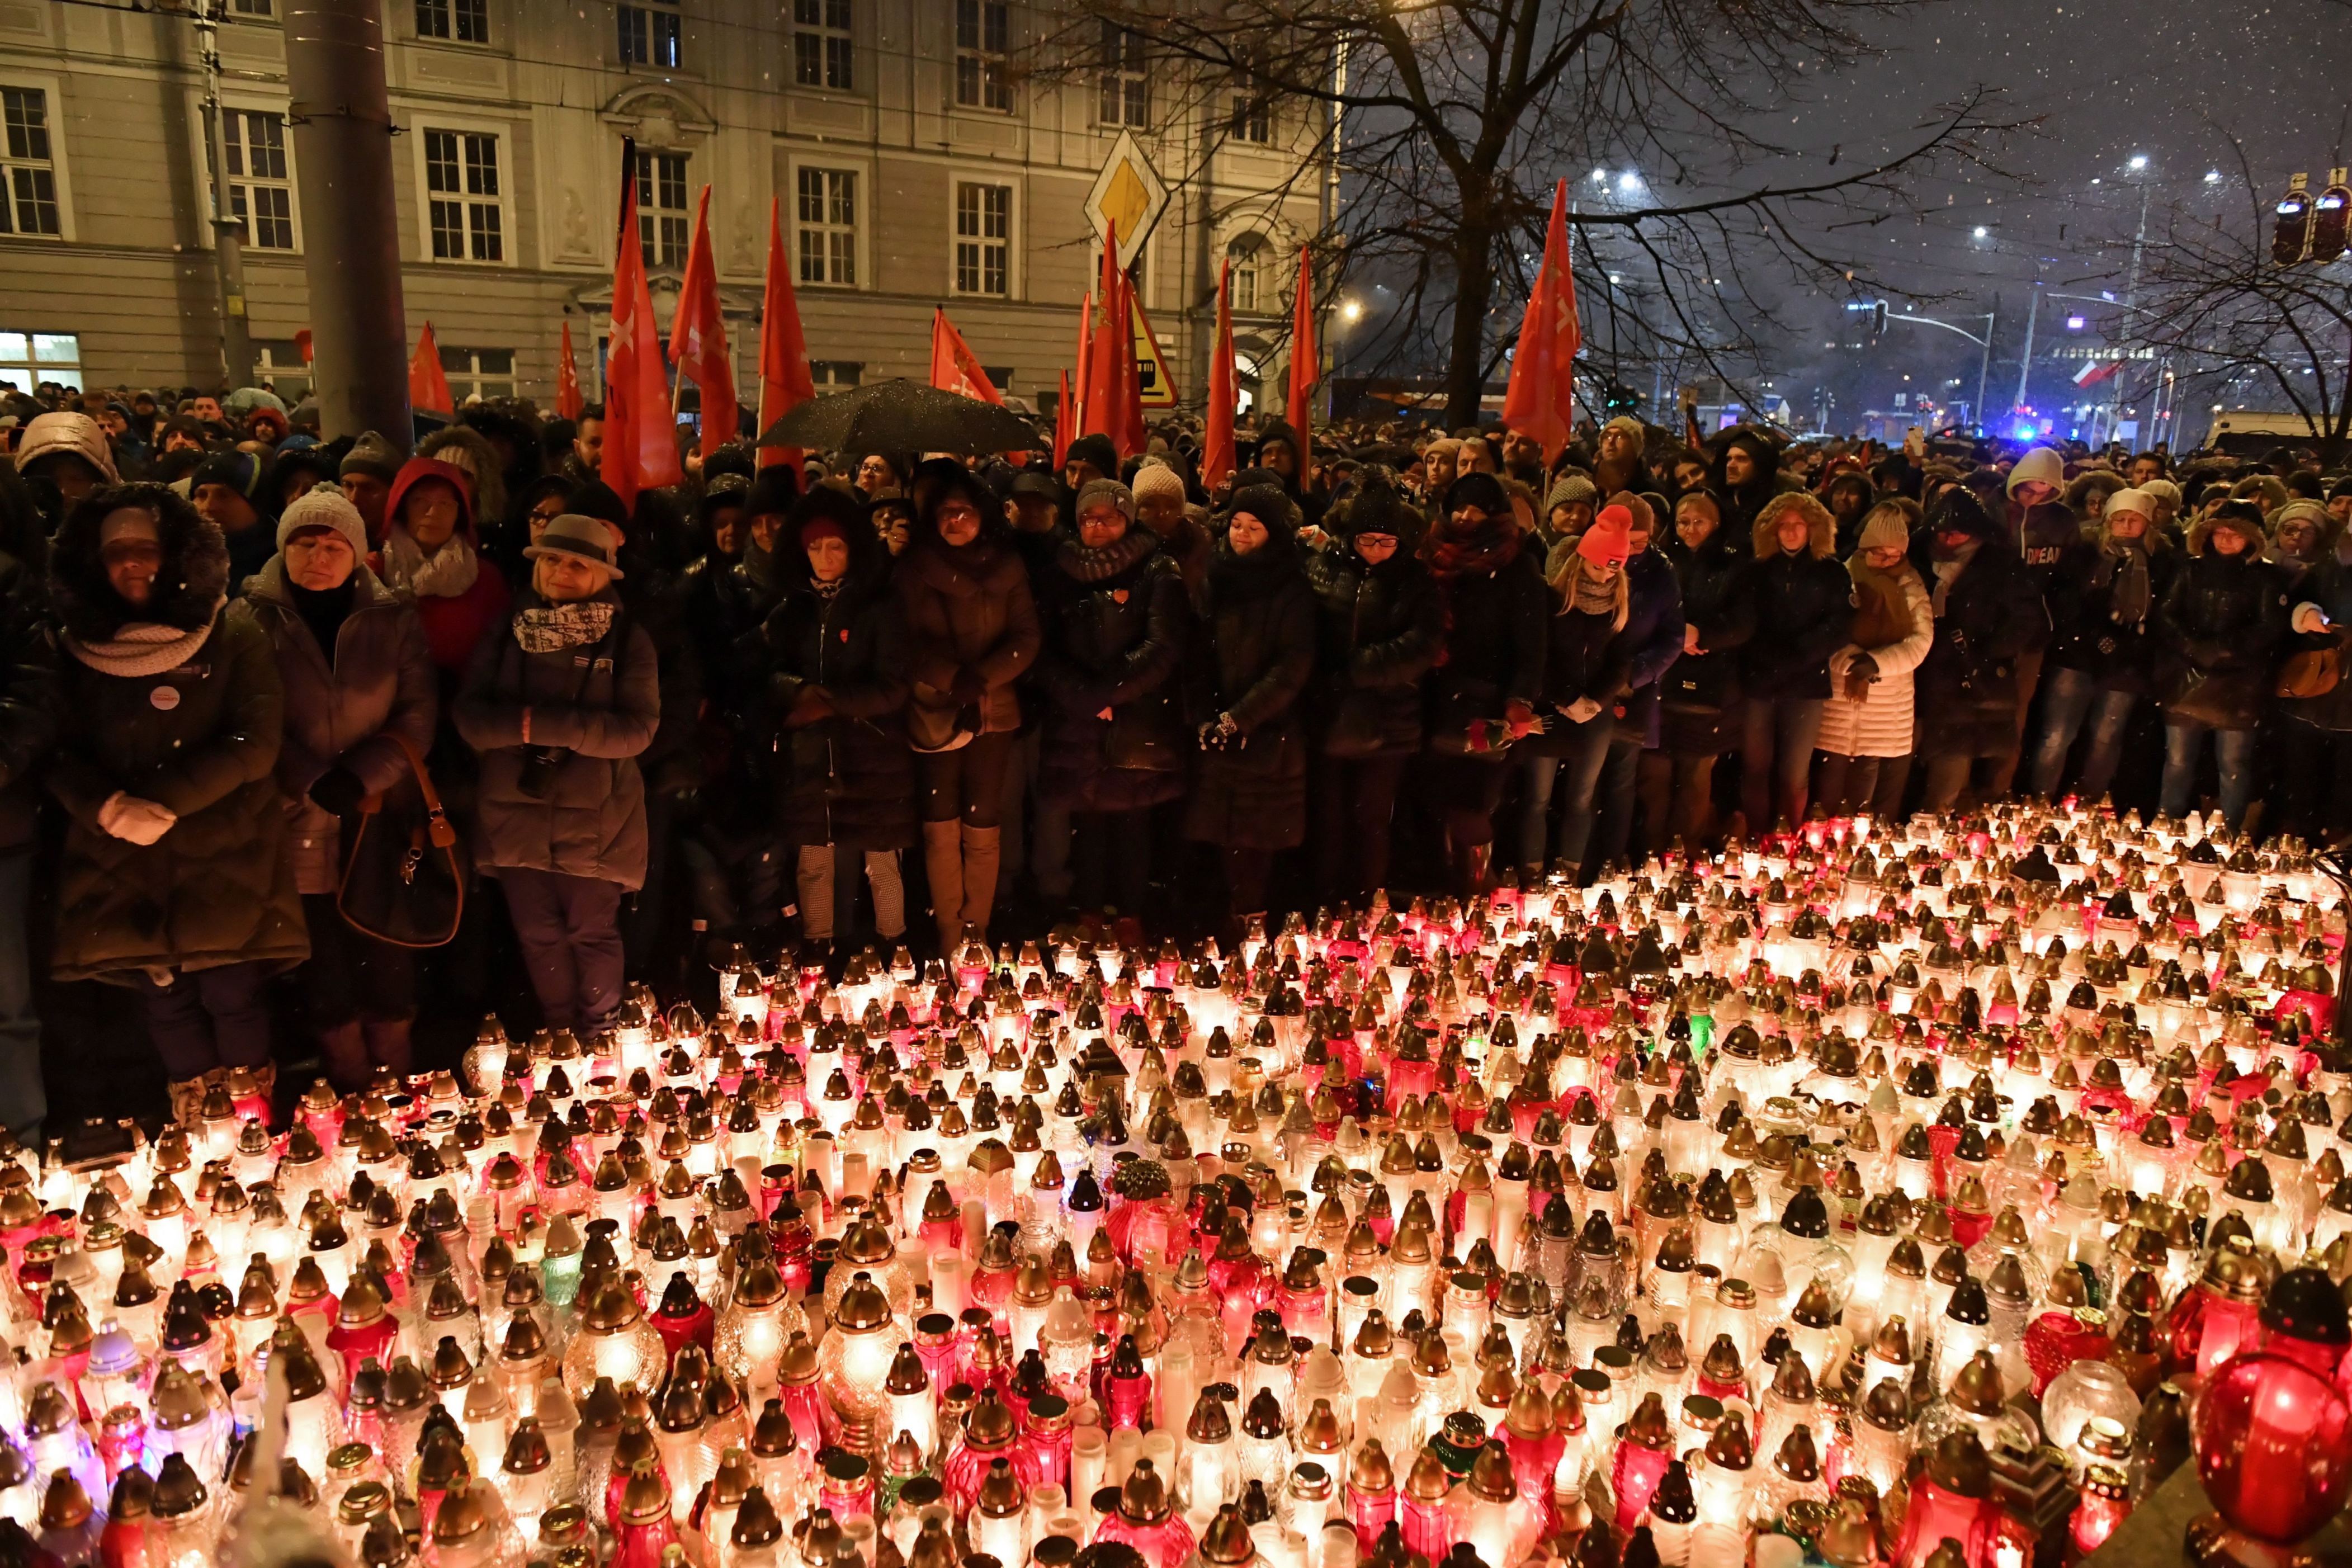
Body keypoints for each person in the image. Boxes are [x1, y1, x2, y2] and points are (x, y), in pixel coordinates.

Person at [45, 484, 307, 1120]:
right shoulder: (71, 645)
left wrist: (160, 803)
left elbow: (255, 739)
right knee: (161, 991)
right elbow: (52, 742)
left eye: (145, 547)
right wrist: (108, 807)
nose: (132, 562)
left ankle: (252, 1123)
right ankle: (200, 1123)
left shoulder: (232, 629)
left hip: (224, 847)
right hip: (121, 855)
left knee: (231, 988)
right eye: (116, 551)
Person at [240, 485, 436, 1090]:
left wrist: (363, 774)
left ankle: (397, 1092)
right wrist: (311, 778)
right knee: (323, 969)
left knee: (388, 959)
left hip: (376, 814)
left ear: (358, 554)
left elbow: (417, 713)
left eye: (334, 544)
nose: (318, 556)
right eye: (305, 542)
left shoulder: (392, 617)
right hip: (295, 816)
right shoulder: (249, 618)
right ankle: (347, 1096)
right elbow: (248, 715)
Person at [454, 514, 659, 1030]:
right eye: (551, 560)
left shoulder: (626, 639)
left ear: (604, 575)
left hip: (598, 814)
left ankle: (602, 1035)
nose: (561, 572)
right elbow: (469, 719)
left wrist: (551, 726)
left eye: (577, 563)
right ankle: (561, 1039)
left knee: (591, 931)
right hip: (513, 809)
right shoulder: (506, 630)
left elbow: (638, 729)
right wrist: (525, 727)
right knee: (537, 934)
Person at [759, 487, 914, 955]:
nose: (824, 557)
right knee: (813, 858)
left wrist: (830, 701)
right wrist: (794, 691)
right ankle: (817, 953)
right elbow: (766, 671)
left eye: (835, 546)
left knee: (882, 862)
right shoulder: (793, 608)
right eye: (814, 547)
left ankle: (895, 950)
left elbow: (893, 686)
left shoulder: (880, 606)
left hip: (872, 753)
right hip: (811, 754)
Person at [895, 470, 1041, 951]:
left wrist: (983, 678)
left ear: (984, 516)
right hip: (938, 708)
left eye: (965, 512)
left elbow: (1027, 635)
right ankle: (947, 936)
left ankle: (976, 933)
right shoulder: (916, 569)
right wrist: (953, 679)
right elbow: (908, 640)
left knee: (983, 819)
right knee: (940, 821)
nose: (955, 520)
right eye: (945, 512)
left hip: (993, 706)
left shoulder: (1008, 566)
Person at [1033, 479, 1189, 922]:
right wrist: (1084, 697)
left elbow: (1163, 647)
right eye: (1089, 518)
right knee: (1088, 824)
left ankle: (1130, 919)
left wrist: (1111, 693)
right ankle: (1088, 916)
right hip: (1077, 718)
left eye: (1110, 517)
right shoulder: (1059, 573)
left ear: (1128, 520)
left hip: (1136, 720)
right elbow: (1043, 649)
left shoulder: (1157, 570)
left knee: (1133, 823)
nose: (1098, 526)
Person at [1303, 472, 1442, 906]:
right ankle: (1326, 901)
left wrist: (1361, 666)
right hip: (1330, 714)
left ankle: (1367, 901)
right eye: (1367, 540)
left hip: (1389, 720)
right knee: (1329, 818)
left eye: (1387, 541)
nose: (1377, 551)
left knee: (1372, 818)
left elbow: (1422, 644)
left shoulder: (1415, 582)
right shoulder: (1324, 570)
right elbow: (1307, 629)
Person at [1185, 483, 1316, 926]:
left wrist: (1242, 716)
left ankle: (1253, 925)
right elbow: (1198, 650)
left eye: (1254, 527)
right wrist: (1205, 714)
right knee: (1223, 836)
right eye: (1237, 525)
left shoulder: (1290, 586)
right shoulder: (1216, 575)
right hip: (1220, 727)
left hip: (1267, 731)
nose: (1242, 535)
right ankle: (1225, 922)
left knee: (1256, 841)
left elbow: (1292, 663)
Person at [1419, 470, 1547, 894]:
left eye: (1476, 510)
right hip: (1437, 699)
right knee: (1438, 800)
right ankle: (1445, 888)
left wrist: (1519, 701)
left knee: (1472, 802)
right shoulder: (1436, 557)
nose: (1465, 517)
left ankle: (1479, 891)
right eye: (1458, 508)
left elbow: (1532, 645)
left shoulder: (1516, 566)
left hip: (1489, 706)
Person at [1518, 504, 1641, 882]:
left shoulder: (1618, 604)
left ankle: (1569, 873)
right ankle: (1531, 872)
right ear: (1581, 559)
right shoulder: (1552, 600)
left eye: (1613, 568)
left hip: (1594, 711)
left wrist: (1596, 700)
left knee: (1582, 798)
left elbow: (1622, 661)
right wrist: (1567, 697)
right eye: (1598, 565)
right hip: (1553, 706)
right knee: (1538, 797)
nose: (1604, 575)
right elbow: (1540, 658)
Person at [2152, 500, 2288, 829]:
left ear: (2252, 539)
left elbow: (2269, 626)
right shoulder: (2190, 569)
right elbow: (2166, 613)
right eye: (2220, 532)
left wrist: (2221, 649)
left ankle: (2229, 833)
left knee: (2233, 764)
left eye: (2235, 534)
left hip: (2239, 685)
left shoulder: (2266, 577)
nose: (2226, 540)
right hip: (2187, 678)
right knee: (2178, 761)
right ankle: (2165, 825)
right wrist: (2191, 647)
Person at [2028, 487, 2166, 804]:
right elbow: (2064, 601)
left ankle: (2090, 800)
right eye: (2120, 519)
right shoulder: (2086, 555)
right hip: (2076, 657)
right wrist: (2091, 632)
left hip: (2127, 663)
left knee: (2106, 737)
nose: (2127, 526)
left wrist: (2126, 643)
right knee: (2058, 734)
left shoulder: (2159, 562)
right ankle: (2040, 798)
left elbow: (2161, 616)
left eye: (2135, 519)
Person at [1911, 489, 2046, 812]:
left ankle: (1935, 825)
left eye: (1958, 530)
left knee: (1952, 753)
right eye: (1942, 530)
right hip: (1916, 669)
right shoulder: (1916, 555)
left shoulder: (1999, 563)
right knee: (1904, 751)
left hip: (1963, 675)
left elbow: (2027, 620)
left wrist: (1986, 651)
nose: (1949, 536)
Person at [1736, 492, 1852, 832]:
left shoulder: (1831, 572)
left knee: (1794, 773)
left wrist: (1799, 653)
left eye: (1798, 525)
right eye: (1783, 525)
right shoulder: (1756, 572)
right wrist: (1768, 656)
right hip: (1759, 681)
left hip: (1806, 683)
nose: (1790, 532)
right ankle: (1758, 839)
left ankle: (1789, 839)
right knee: (1756, 768)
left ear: (1812, 528)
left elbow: (1839, 626)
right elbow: (1746, 622)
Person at [1812, 502, 1933, 818]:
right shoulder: (1842, 577)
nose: (1888, 561)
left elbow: (1921, 640)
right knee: (1831, 771)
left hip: (1887, 698)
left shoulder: (1910, 584)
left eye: (1896, 555)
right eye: (1880, 553)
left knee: (1868, 773)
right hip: (1840, 693)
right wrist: (1852, 662)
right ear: (1865, 549)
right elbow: (1827, 632)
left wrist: (1877, 663)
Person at [0, 470, 53, 1138]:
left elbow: (32, 690)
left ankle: (21, 1140)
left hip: (1, 819)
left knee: (7, 997)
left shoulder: (8, 580)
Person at [1653, 492, 1752, 849]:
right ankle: (1652, 850)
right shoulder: (1662, 561)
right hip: (1662, 681)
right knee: (1656, 776)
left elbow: (1743, 621)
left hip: (1710, 685)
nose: (1690, 529)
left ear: (1716, 523)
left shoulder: (1733, 565)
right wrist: (1673, 634)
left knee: (1695, 777)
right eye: (1683, 521)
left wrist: (1703, 633)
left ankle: (1684, 851)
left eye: (1699, 521)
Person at [2279, 507, 2352, 841]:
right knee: (2302, 765)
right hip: (2319, 677)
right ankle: (2298, 834)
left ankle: (2338, 837)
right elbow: (2299, 601)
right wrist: (2306, 615)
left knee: (2346, 775)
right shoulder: (2328, 567)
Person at [191, 451, 277, 593]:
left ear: (257, 506)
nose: (208, 506)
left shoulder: (282, 567)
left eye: (224, 495)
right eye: (201, 495)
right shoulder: (181, 559)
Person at [336, 432, 403, 547]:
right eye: (349, 485)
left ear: (393, 492)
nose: (354, 498)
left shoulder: (407, 550)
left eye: (368, 488)